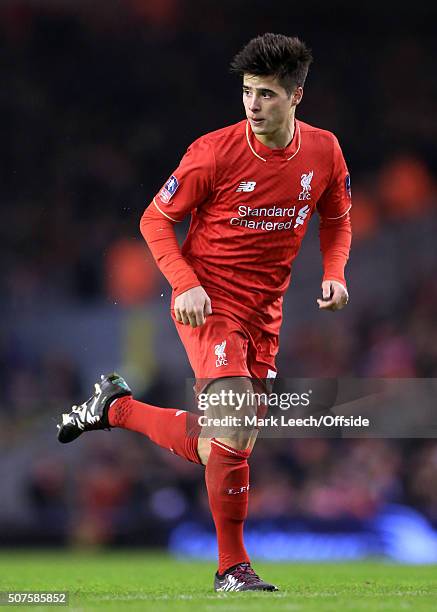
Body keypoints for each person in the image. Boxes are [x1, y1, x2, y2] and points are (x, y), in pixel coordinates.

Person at [57, 33, 351, 592]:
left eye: (266, 94)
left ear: (296, 97)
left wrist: (334, 271)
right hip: (208, 304)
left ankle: (115, 409)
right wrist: (185, 283)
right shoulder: (213, 151)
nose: (253, 105)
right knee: (234, 427)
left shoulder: (324, 151)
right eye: (246, 93)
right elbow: (152, 219)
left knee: (221, 444)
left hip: (265, 313)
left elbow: (336, 215)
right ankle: (231, 568)